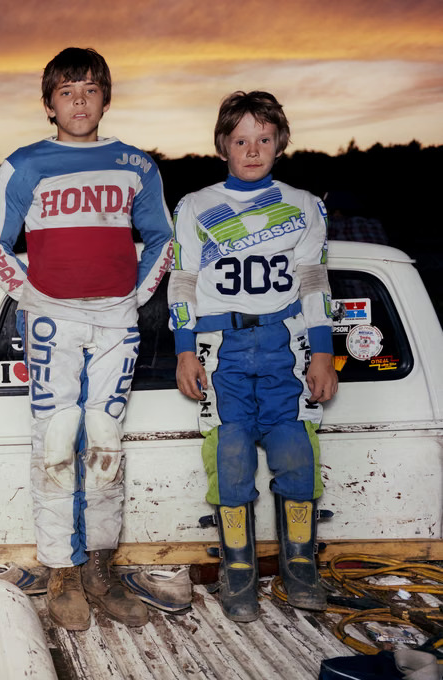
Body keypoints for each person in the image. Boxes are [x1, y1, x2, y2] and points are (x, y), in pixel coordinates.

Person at [0, 47, 174, 630]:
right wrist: (30, 292)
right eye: (67, 91)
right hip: (51, 319)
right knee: (56, 439)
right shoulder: (23, 165)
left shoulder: (136, 164)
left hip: (116, 319)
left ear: (106, 99)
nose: (79, 101)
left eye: (90, 89)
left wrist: (134, 296)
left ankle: (100, 570)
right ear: (49, 104)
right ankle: (62, 570)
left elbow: (162, 237)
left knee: (106, 439)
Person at [167, 91, 337, 622]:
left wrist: (324, 352)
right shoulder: (195, 205)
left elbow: (314, 281)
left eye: (264, 138)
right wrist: (185, 350)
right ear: (223, 145)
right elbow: (182, 281)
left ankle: (300, 568)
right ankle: (238, 573)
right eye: (241, 140)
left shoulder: (305, 204)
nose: (253, 149)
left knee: (296, 453)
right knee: (232, 457)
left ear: (280, 143)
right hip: (223, 349)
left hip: (286, 343)